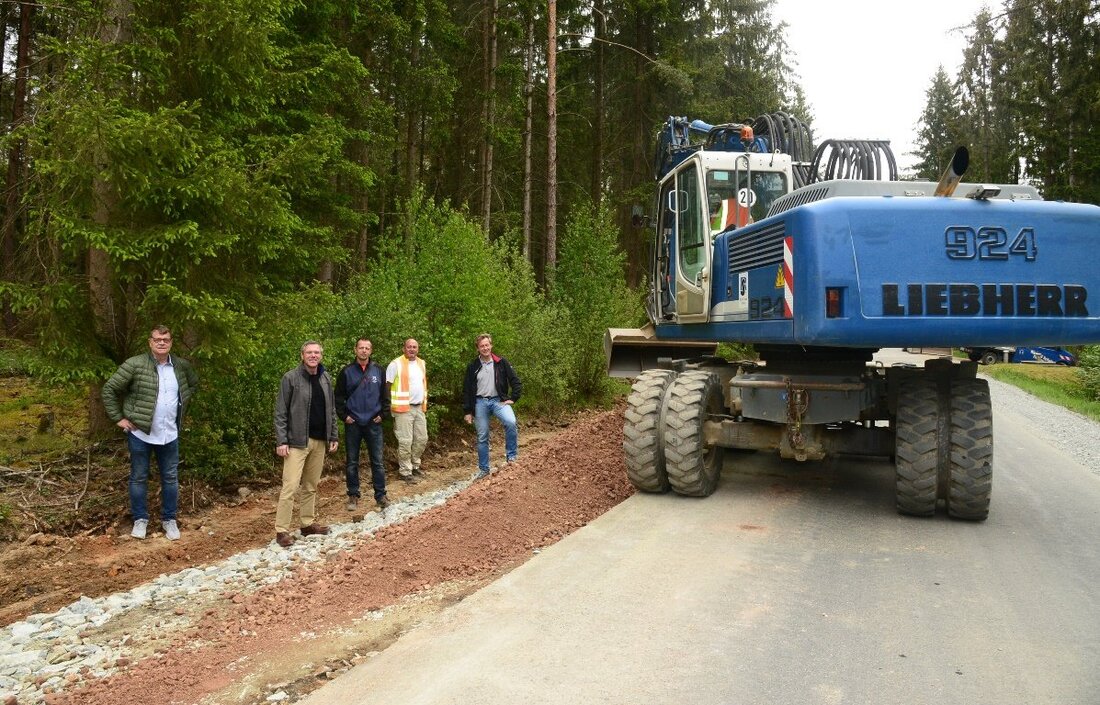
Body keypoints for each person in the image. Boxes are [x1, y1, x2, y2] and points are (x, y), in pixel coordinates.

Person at [102, 325, 199, 541]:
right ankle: (140, 520)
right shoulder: (135, 364)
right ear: (150, 342)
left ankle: (169, 520)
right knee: (138, 477)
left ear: (171, 342)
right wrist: (119, 418)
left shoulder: (181, 366)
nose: (161, 342)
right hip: (140, 434)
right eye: (157, 339)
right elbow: (110, 389)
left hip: (170, 434)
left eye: (165, 339)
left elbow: (193, 385)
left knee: (171, 477)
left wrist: (183, 405)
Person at [273, 341, 339, 548]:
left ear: (321, 355)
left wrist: (333, 436)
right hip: (296, 442)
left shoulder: (326, 378)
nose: (313, 355)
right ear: (302, 355)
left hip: (320, 440)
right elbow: (281, 412)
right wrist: (282, 440)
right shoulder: (291, 378)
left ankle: (307, 524)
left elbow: (332, 410)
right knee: (290, 486)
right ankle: (281, 531)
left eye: (317, 352)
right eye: (309, 352)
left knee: (311, 485)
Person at [334, 338, 390, 512]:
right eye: (361, 348)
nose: (364, 351)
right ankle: (353, 494)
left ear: (371, 351)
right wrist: (344, 416)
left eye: (367, 348)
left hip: (373, 422)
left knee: (378, 461)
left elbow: (385, 396)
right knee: (352, 462)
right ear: (355, 350)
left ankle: (380, 495)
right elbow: (338, 397)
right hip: (354, 423)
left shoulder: (379, 370)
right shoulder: (346, 372)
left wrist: (383, 415)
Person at [462, 333, 521, 479]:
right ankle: (484, 470)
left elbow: (515, 381)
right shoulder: (473, 366)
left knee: (511, 422)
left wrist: (513, 398)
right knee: (482, 436)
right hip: (480, 402)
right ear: (478, 348)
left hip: (498, 401)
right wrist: (468, 411)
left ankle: (512, 458)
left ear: (491, 346)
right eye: (482, 346)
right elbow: (467, 389)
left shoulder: (501, 362)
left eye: (487, 345)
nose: (485, 348)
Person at [385, 338, 428, 483]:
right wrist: (387, 405)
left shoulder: (421, 363)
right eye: (409, 347)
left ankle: (415, 466)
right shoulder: (395, 364)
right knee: (405, 441)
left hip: (419, 407)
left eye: (414, 347)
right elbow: (387, 386)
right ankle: (405, 471)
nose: (412, 349)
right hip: (403, 408)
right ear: (404, 348)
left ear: (418, 349)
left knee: (422, 439)